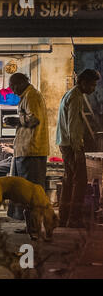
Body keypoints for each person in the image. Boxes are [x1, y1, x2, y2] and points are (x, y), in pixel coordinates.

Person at [4, 73, 49, 233]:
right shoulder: (28, 95)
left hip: (32, 150)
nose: (12, 90)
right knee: (25, 192)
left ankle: (35, 227)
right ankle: (31, 226)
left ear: (22, 83)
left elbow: (34, 118)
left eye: (13, 86)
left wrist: (17, 120)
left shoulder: (32, 95)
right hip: (27, 150)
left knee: (31, 192)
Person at [56, 68, 101, 228]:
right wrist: (77, 149)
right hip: (72, 145)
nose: (93, 89)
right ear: (83, 82)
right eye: (92, 85)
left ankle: (64, 219)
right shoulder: (75, 97)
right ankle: (74, 219)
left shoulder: (71, 94)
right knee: (80, 182)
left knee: (69, 181)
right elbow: (73, 125)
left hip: (65, 143)